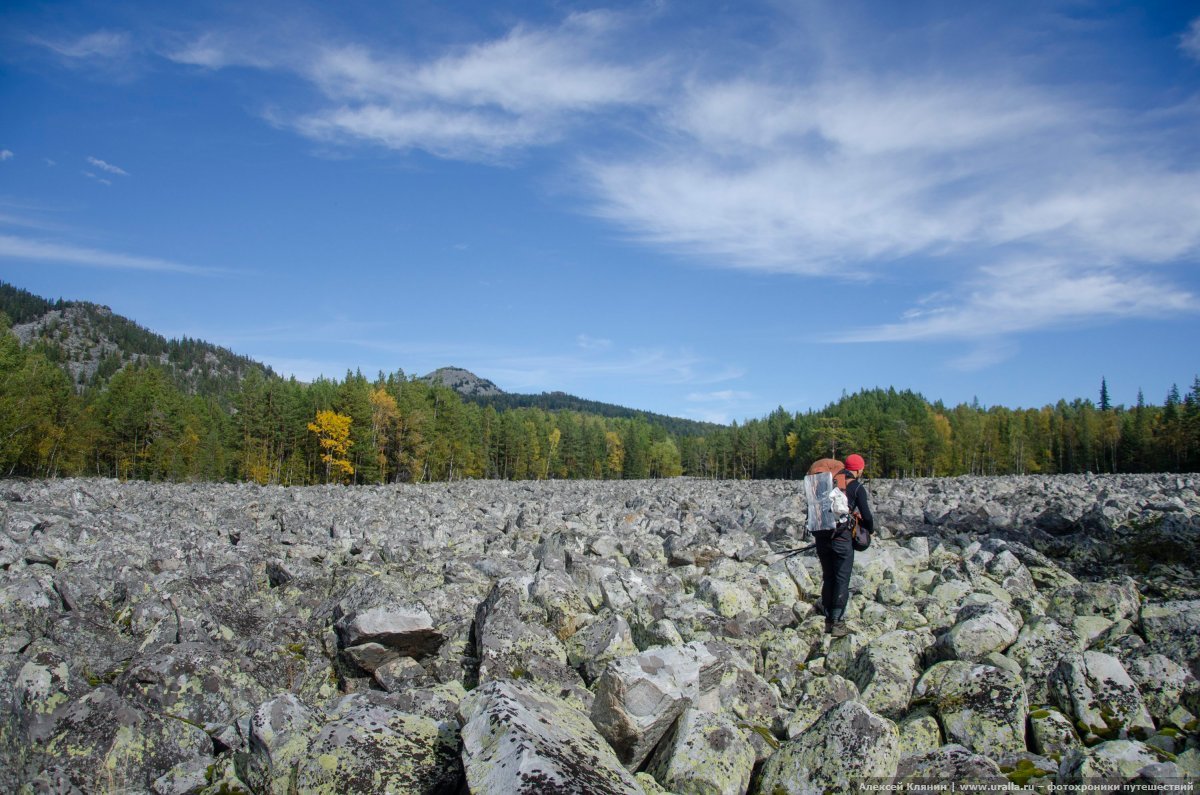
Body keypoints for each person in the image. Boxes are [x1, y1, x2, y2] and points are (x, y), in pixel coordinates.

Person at [814, 453, 874, 637]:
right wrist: (869, 530)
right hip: (842, 539)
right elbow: (868, 516)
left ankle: (826, 614)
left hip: (821, 537)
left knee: (828, 576)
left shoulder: (827, 483)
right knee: (842, 578)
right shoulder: (856, 487)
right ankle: (836, 621)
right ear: (858, 469)